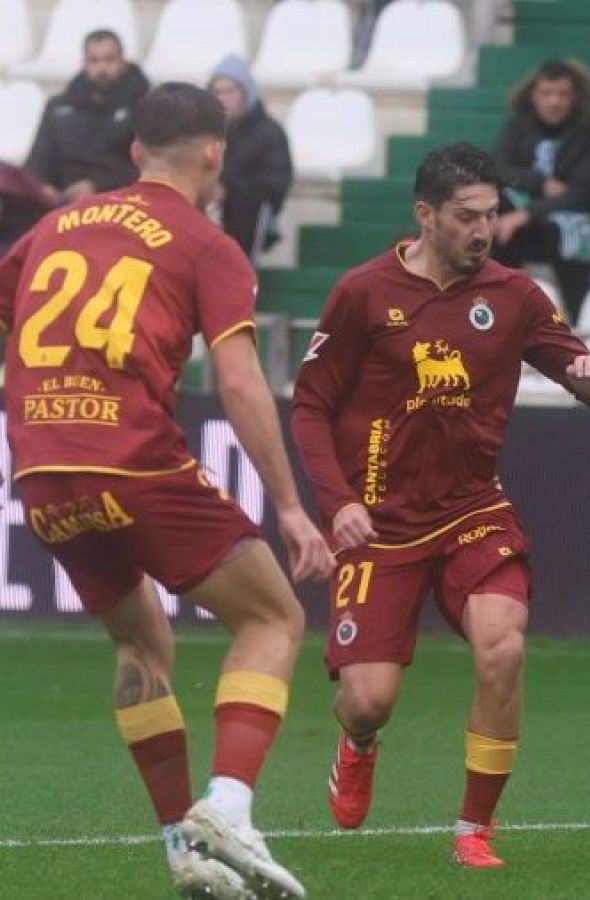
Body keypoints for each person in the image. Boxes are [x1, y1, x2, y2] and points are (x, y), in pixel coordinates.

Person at [0, 83, 334, 899]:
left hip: (41, 467)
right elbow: (241, 382)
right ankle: (227, 805)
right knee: (273, 615)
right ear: (216, 153)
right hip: (129, 455)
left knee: (140, 643)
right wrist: (291, 508)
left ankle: (178, 847)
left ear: (133, 151)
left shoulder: (51, 227)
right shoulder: (205, 242)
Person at [290, 143, 590, 869]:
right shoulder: (362, 293)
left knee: (503, 643)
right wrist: (338, 501)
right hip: (378, 523)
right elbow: (310, 406)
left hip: (473, 509)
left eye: (492, 216)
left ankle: (475, 828)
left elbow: (587, 382)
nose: (484, 231)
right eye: (468, 217)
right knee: (368, 700)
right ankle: (359, 745)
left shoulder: (516, 296)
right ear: (425, 215)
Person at [490, 58, 590, 319]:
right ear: (534, 96)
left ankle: (577, 318)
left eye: (563, 94)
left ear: (575, 98)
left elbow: (582, 191)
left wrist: (528, 213)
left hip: (571, 214)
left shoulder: (589, 131)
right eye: (547, 94)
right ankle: (499, 306)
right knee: (491, 216)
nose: (555, 102)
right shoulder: (518, 125)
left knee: (560, 231)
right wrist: (540, 182)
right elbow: (496, 167)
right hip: (521, 216)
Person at [24, 30, 149, 206]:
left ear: (123, 62)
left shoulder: (145, 106)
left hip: (120, 202)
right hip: (62, 204)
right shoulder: (58, 107)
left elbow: (149, 165)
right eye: (94, 60)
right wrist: (42, 187)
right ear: (84, 63)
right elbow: (38, 159)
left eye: (109, 59)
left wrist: (97, 186)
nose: (102, 68)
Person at [208, 55, 293, 261]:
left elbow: (276, 183)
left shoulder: (269, 132)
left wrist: (227, 188)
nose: (223, 98)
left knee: (247, 204)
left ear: (245, 93)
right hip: (210, 205)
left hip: (249, 211)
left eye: (230, 91)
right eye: (217, 92)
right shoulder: (205, 132)